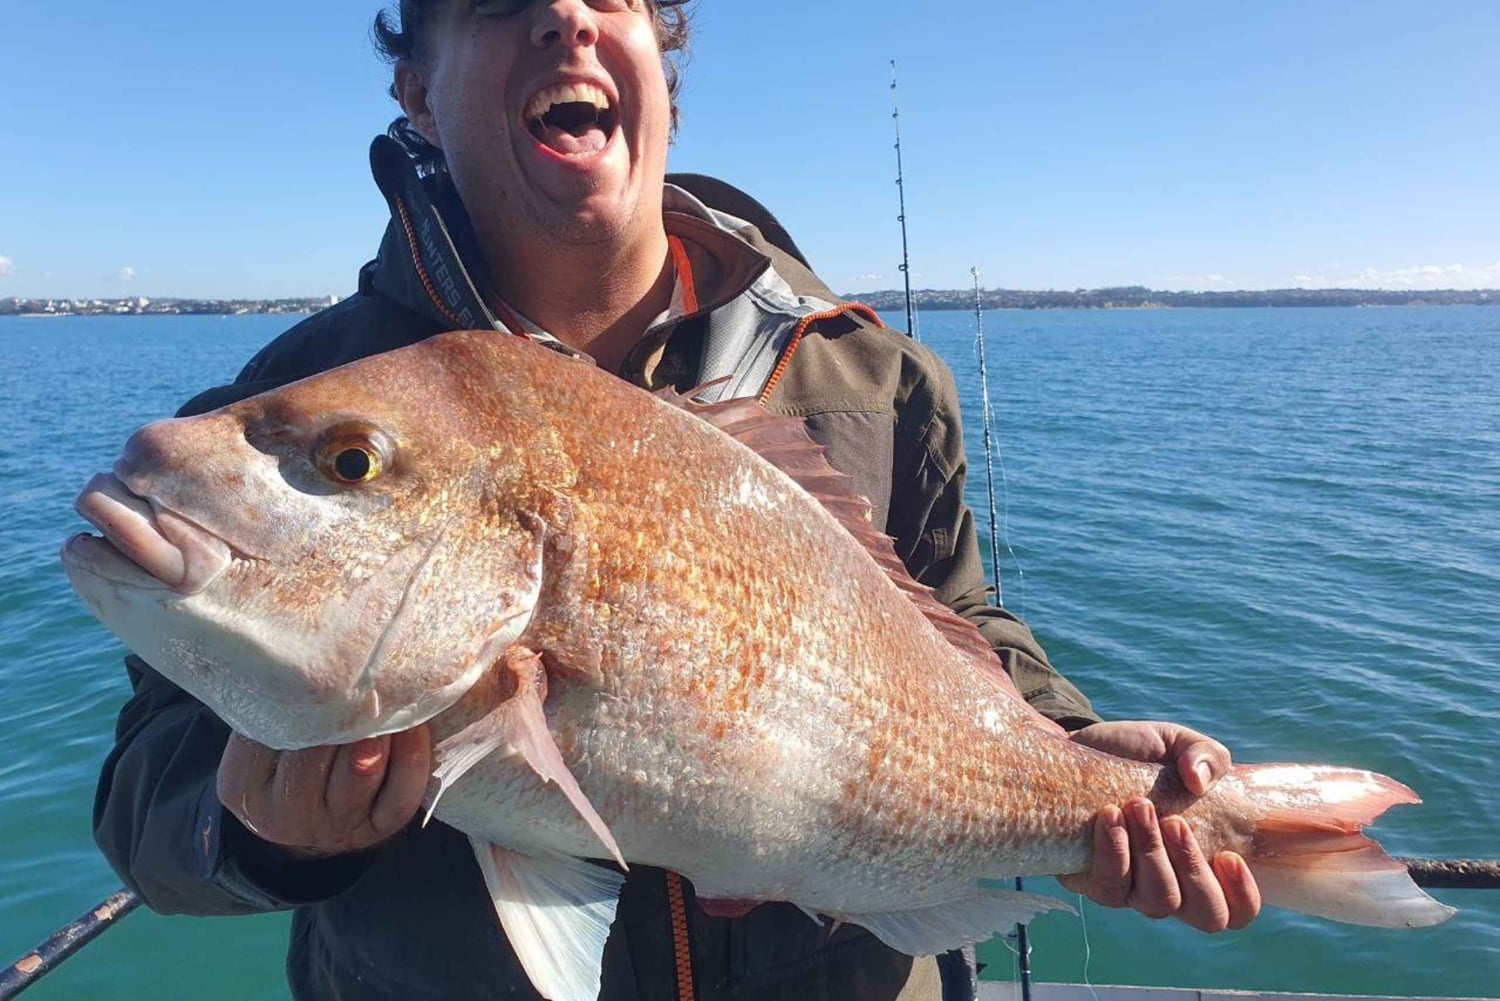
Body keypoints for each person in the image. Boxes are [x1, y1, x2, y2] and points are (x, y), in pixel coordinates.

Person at [93, 2, 1260, 998]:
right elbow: (145, 800)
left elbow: (956, 624)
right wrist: (255, 832)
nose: (566, 16)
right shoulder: (285, 400)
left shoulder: (874, 378)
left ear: (664, 70)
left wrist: (1067, 751)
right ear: (418, 91)